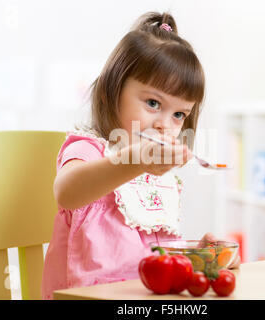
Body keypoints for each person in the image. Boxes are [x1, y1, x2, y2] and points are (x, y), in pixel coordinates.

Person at [41, 11, 239, 300]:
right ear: (111, 91)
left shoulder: (155, 174)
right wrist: (134, 161)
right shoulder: (88, 149)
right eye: (153, 102)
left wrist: (201, 257)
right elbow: (67, 192)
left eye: (179, 114)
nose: (164, 124)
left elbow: (154, 259)